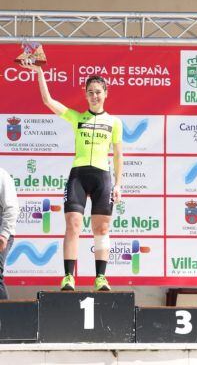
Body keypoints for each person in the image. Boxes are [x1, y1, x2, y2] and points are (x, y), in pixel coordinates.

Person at [21, 60, 123, 292]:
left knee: (102, 228)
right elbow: (48, 101)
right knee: (73, 225)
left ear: (105, 94)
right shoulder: (77, 117)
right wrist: (39, 72)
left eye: (98, 92)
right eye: (90, 92)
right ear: (85, 95)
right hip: (78, 174)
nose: (94, 96)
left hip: (102, 178)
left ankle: (100, 278)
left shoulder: (115, 122)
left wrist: (119, 184)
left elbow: (118, 156)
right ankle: (68, 277)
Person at [0, 167, 19, 299]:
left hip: (2, 233)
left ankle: (5, 318)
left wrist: (3, 235)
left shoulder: (2, 175)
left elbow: (11, 208)